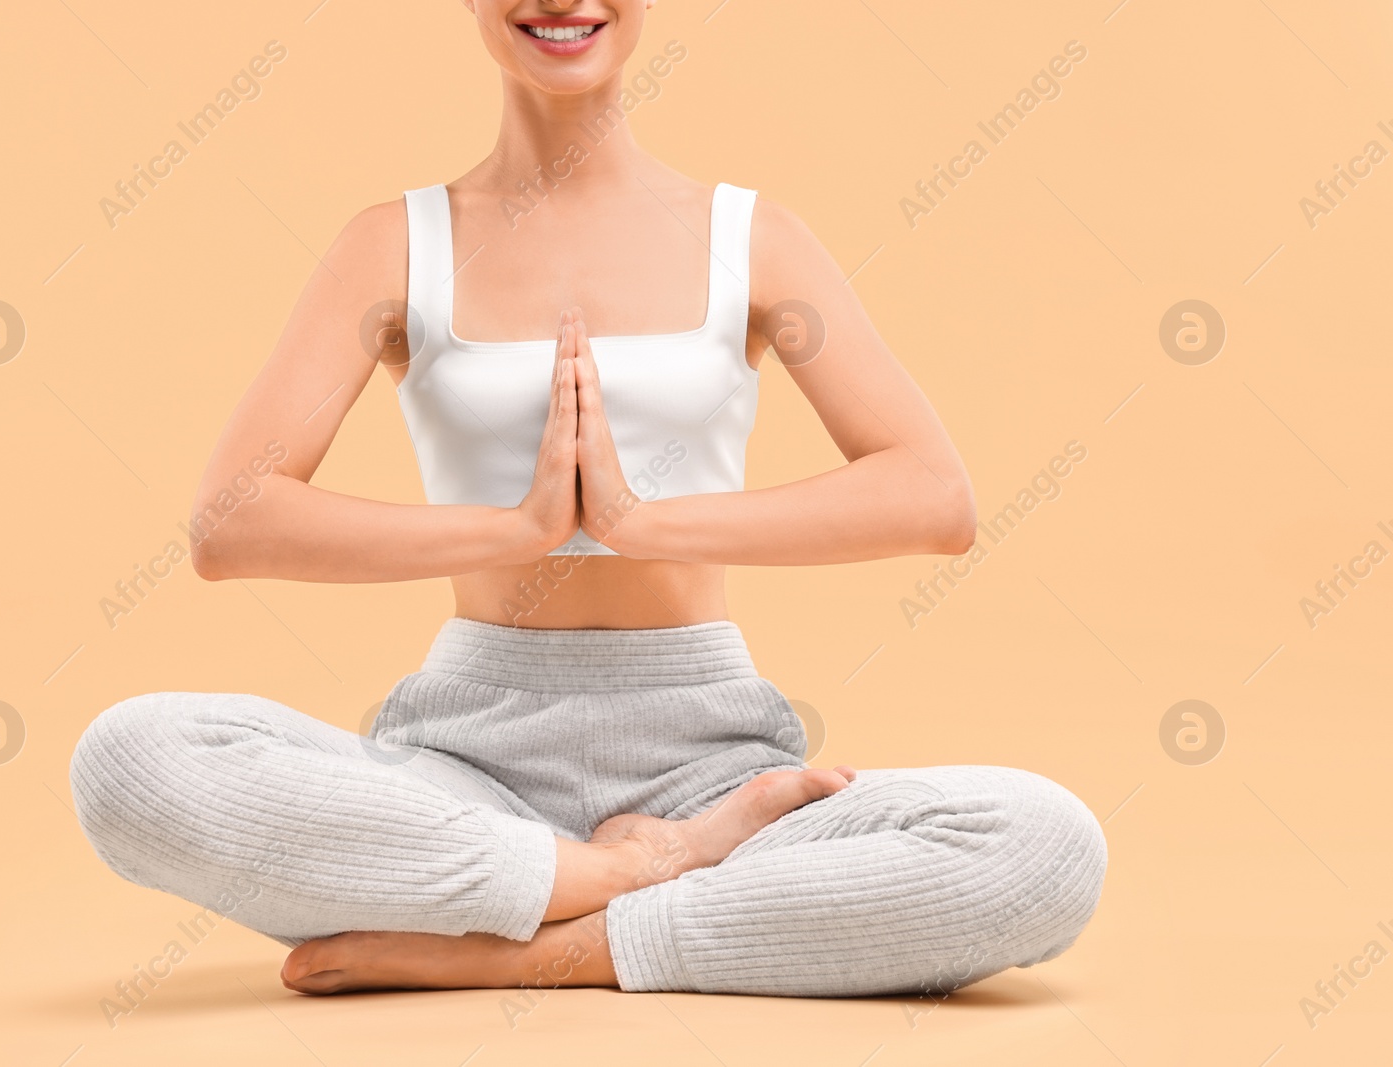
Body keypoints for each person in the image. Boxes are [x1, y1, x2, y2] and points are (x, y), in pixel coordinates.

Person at [69, 0, 1106, 998]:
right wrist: (515, 528)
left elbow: (930, 496)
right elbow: (233, 521)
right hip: (466, 769)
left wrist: (637, 522)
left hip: (716, 768)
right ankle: (620, 880)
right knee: (131, 760)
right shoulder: (394, 242)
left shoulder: (751, 237)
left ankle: (522, 948)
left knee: (1043, 845)